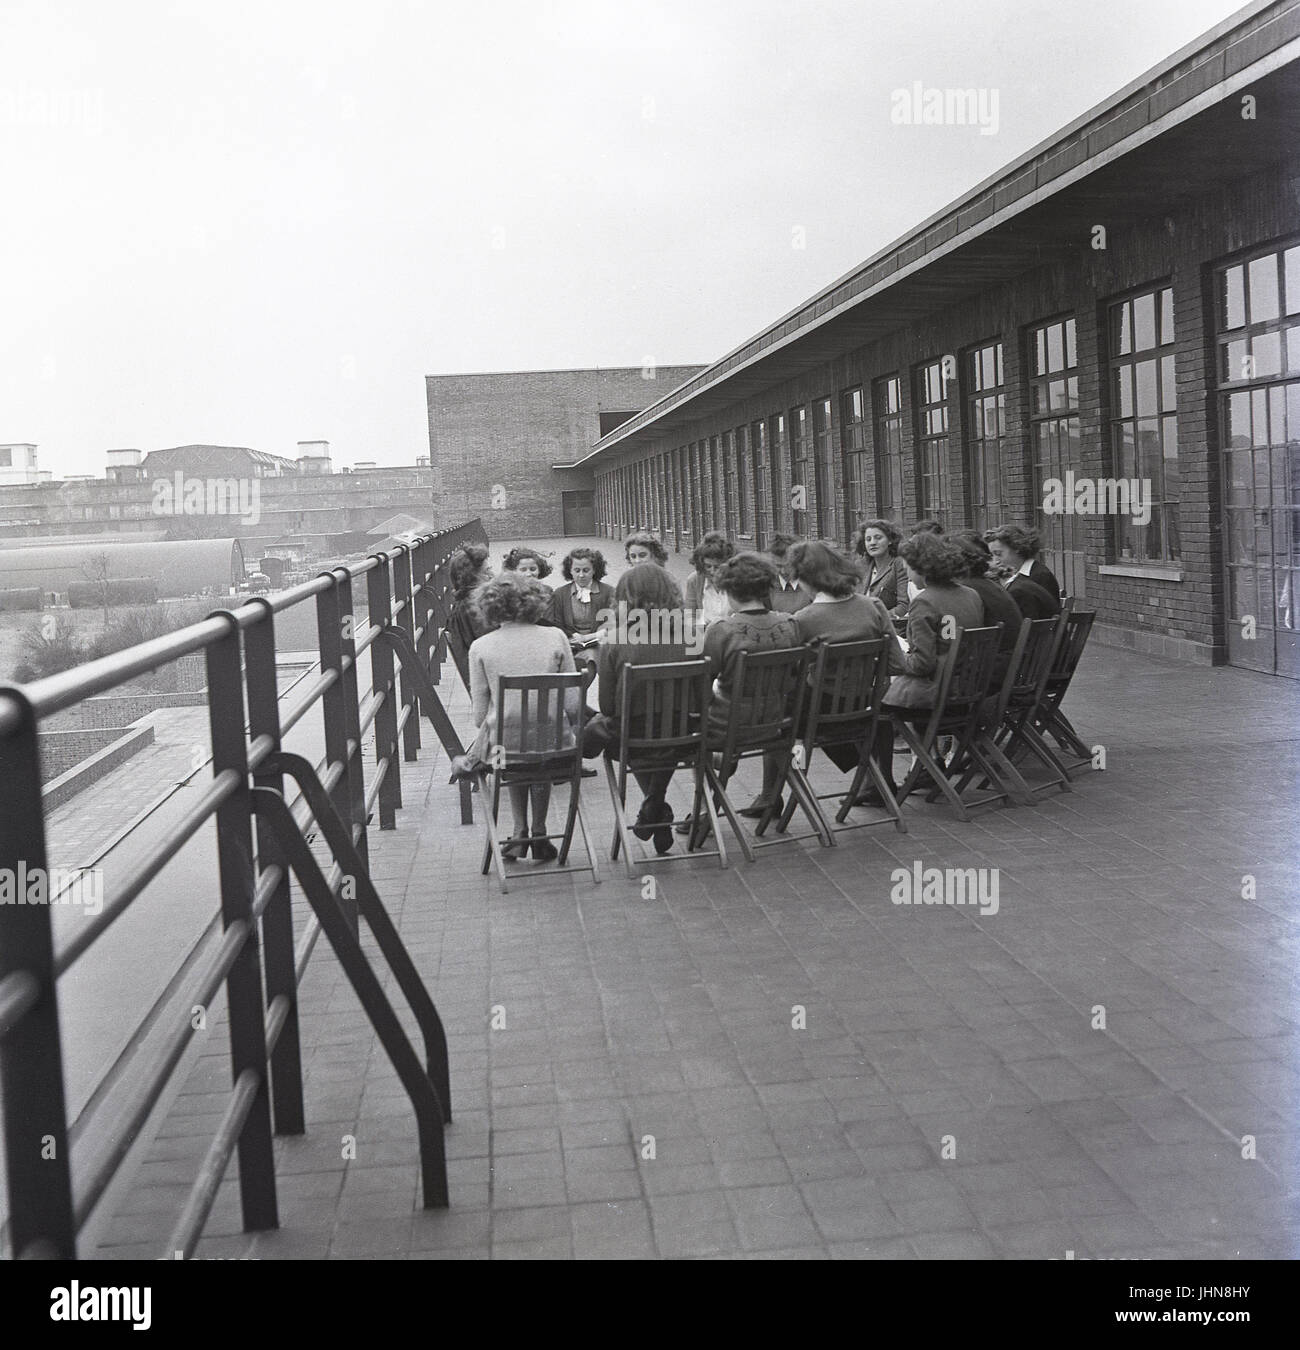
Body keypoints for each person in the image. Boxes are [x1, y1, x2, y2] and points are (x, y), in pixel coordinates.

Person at [745, 540, 904, 816]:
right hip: (866, 707)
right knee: (876, 716)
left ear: (806, 579)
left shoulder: (803, 619)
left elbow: (784, 675)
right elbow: (896, 664)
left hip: (820, 714)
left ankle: (769, 798)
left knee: (775, 714)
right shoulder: (874, 606)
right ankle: (878, 782)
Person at [458, 572, 581, 863]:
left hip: (504, 752)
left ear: (490, 606)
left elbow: (478, 717)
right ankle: (538, 831)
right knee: (538, 743)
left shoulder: (481, 647)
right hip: (555, 747)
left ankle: (519, 830)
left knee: (508, 742)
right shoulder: (556, 637)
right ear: (533, 602)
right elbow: (574, 705)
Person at [860, 533, 984, 807]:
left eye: (907, 565)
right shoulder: (971, 595)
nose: (905, 570)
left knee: (876, 711)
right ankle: (928, 764)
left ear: (920, 568)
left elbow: (922, 664)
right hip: (968, 691)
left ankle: (880, 786)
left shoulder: (924, 602)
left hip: (938, 696)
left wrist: (898, 652)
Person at [678, 552, 799, 835]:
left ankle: (706, 807)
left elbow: (701, 684)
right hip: (777, 723)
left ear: (730, 590)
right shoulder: (790, 624)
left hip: (730, 725)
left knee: (698, 728)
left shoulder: (722, 629)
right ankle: (764, 793)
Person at [582, 563, 690, 855]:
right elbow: (698, 698)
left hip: (633, 738)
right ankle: (657, 807)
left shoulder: (616, 642)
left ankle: (657, 809)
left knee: (632, 732)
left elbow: (607, 706)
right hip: (685, 737)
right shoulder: (690, 635)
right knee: (664, 735)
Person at [952, 530, 1023, 679]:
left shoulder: (967, 589)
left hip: (988, 674)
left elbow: (958, 640)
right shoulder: (988, 584)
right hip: (1008, 667)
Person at [547, 547, 615, 653]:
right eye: (577, 570)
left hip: (601, 643)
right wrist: (572, 636)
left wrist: (587, 638)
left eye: (586, 570)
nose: (581, 575)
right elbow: (557, 624)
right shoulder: (560, 594)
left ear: (594, 570)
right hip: (571, 644)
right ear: (570, 571)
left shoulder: (609, 592)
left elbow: (613, 624)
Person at [985, 525, 1062, 607]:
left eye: (998, 554)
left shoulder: (1040, 576)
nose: (995, 560)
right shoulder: (1014, 575)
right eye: (992, 555)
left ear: (1016, 548)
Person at [853, 518, 909, 615]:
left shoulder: (898, 564)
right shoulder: (861, 565)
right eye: (868, 539)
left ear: (890, 541)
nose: (872, 543)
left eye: (878, 538)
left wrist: (877, 619)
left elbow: (904, 606)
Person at [447, 544, 494, 650]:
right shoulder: (475, 607)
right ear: (471, 577)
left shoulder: (463, 604)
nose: (492, 575)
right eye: (486, 571)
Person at [684, 532, 735, 626]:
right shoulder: (694, 580)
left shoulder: (737, 579)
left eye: (718, 566)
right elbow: (690, 617)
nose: (712, 571)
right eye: (708, 566)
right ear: (701, 565)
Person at [768, 533, 815, 613]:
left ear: (798, 562)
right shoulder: (767, 587)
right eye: (778, 566)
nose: (783, 571)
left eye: (787, 566)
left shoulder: (813, 586)